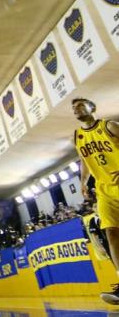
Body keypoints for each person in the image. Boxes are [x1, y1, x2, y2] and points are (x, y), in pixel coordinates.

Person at [72, 98, 119, 304]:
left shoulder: (109, 126)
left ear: (93, 108)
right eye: (74, 107)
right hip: (103, 189)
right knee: (111, 233)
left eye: (81, 105)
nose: (77, 109)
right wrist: (83, 181)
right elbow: (84, 159)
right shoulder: (77, 136)